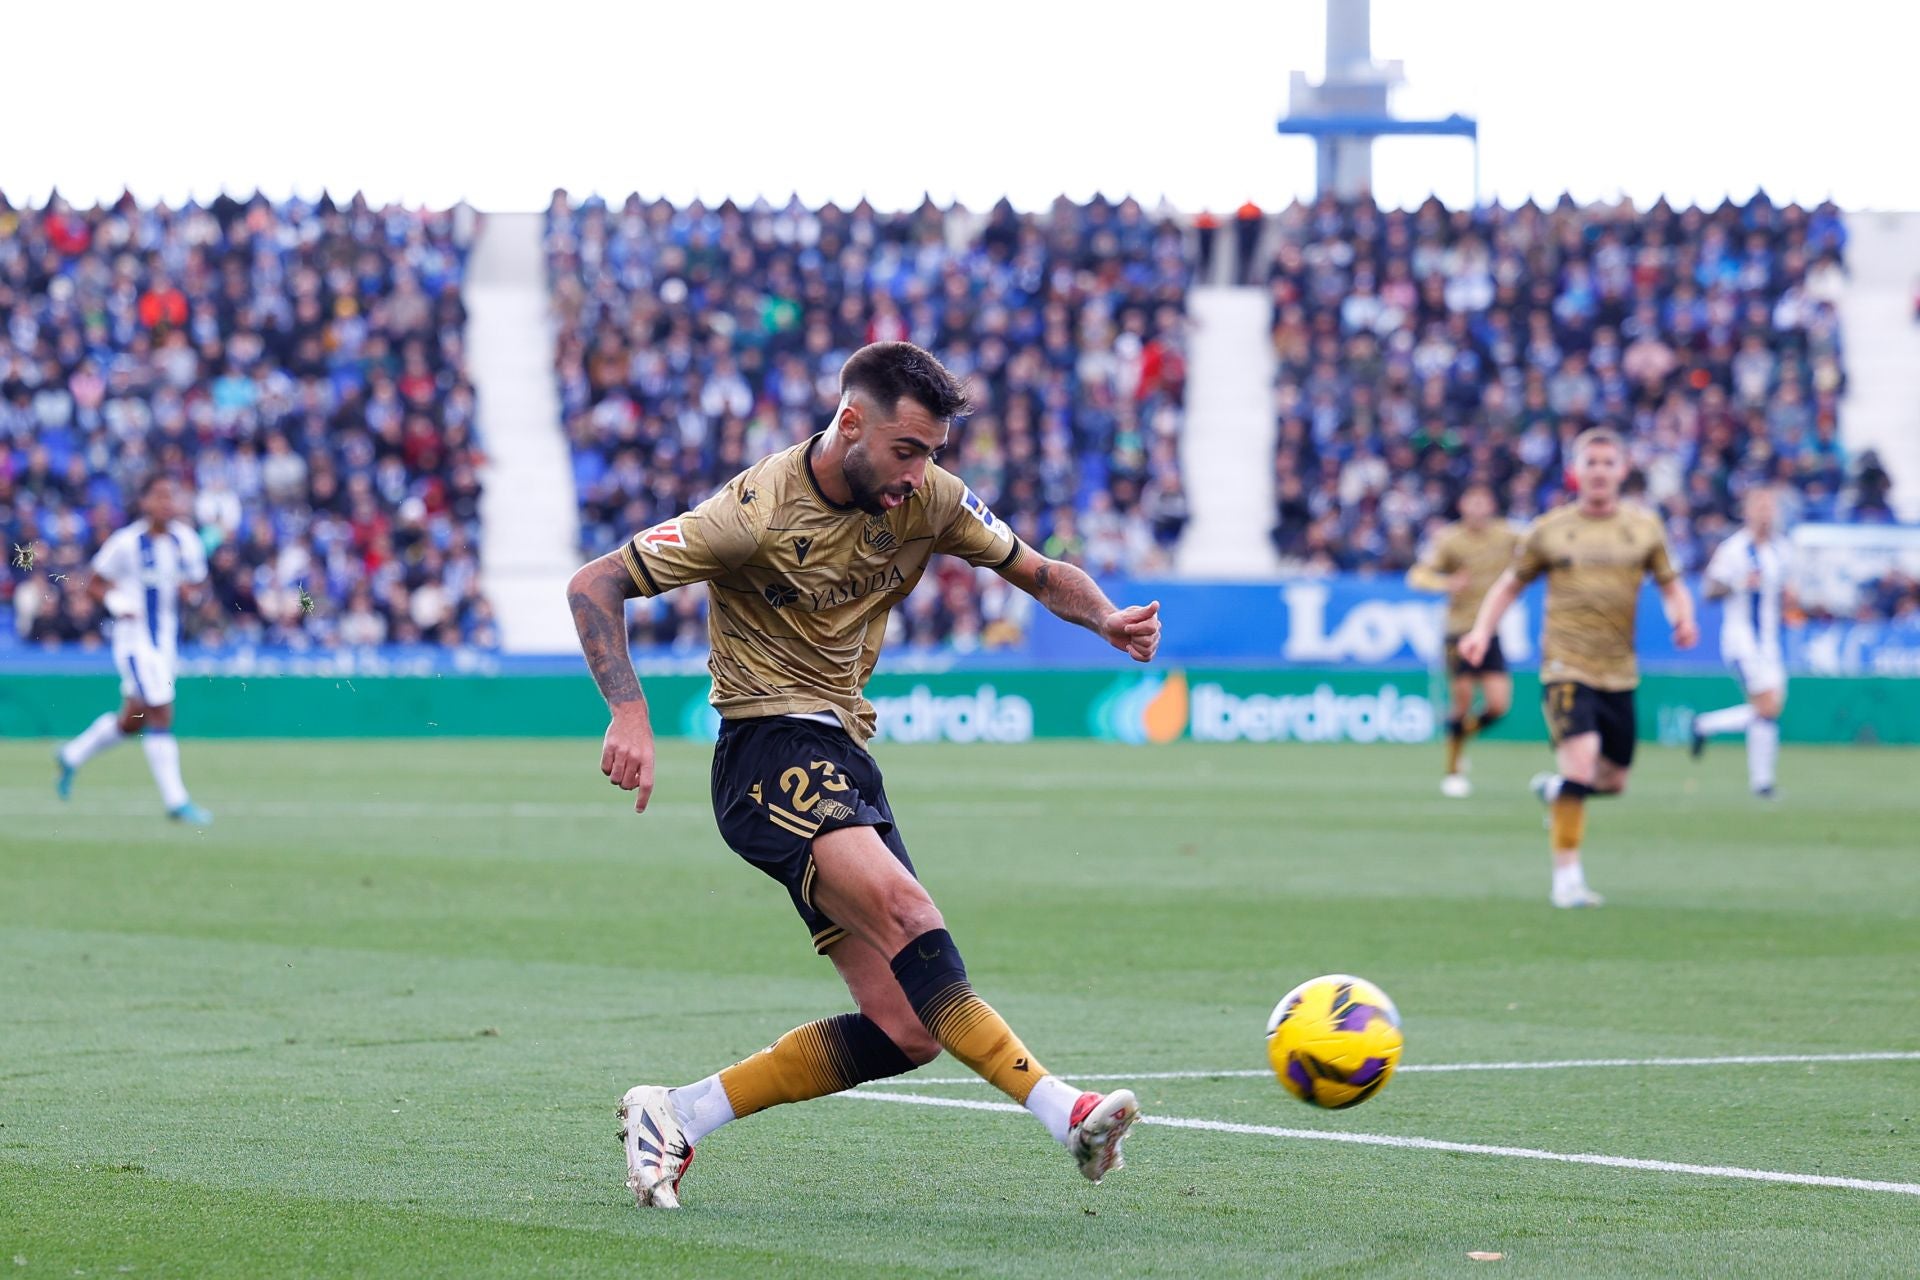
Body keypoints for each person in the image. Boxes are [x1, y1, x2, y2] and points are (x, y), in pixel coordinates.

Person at [565, 342, 1162, 1208]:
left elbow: (1034, 569)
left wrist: (1103, 615)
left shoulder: (930, 497)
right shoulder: (753, 511)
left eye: (933, 455)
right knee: (911, 913)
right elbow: (596, 584)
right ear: (851, 422)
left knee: (907, 1027)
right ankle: (1064, 1111)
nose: (920, 475)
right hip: (768, 751)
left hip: (845, 755)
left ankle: (679, 1115)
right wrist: (629, 711)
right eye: (907, 450)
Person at [1458, 428, 1697, 908]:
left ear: (1623, 470)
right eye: (1591, 463)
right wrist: (1482, 630)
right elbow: (1509, 585)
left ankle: (1556, 792)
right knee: (1582, 761)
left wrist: (1682, 616)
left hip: (1619, 671)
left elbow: (1670, 583)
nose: (1600, 471)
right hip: (1566, 665)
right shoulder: (1550, 529)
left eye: (1609, 463)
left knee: (1611, 781)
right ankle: (1567, 881)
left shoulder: (1644, 528)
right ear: (1576, 471)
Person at [55, 475, 214, 825]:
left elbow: (197, 585)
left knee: (133, 719)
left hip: (166, 641)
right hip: (135, 640)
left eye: (172, 496)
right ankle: (177, 802)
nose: (167, 503)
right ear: (145, 503)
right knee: (161, 711)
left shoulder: (186, 541)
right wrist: (116, 601)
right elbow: (94, 582)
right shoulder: (126, 543)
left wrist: (194, 596)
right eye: (159, 496)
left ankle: (72, 754)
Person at [1405, 482, 1519, 797]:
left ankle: (1458, 736)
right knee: (1464, 700)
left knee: (1498, 705)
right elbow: (1417, 575)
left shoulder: (1506, 536)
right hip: (1459, 630)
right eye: (1473, 502)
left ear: (1492, 505)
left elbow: (1539, 548)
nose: (1478, 508)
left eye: (1484, 502)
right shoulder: (1449, 540)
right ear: (1462, 506)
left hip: (1490, 629)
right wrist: (1447, 583)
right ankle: (1454, 769)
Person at [1689, 487, 1792, 796]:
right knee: (1767, 705)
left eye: (1769, 506)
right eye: (1759, 506)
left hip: (1770, 642)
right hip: (1742, 640)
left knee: (1769, 709)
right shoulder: (1734, 549)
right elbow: (1708, 591)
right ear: (1747, 512)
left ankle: (1708, 728)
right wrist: (1738, 582)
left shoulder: (1781, 550)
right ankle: (1761, 783)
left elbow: (1784, 593)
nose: (1765, 513)